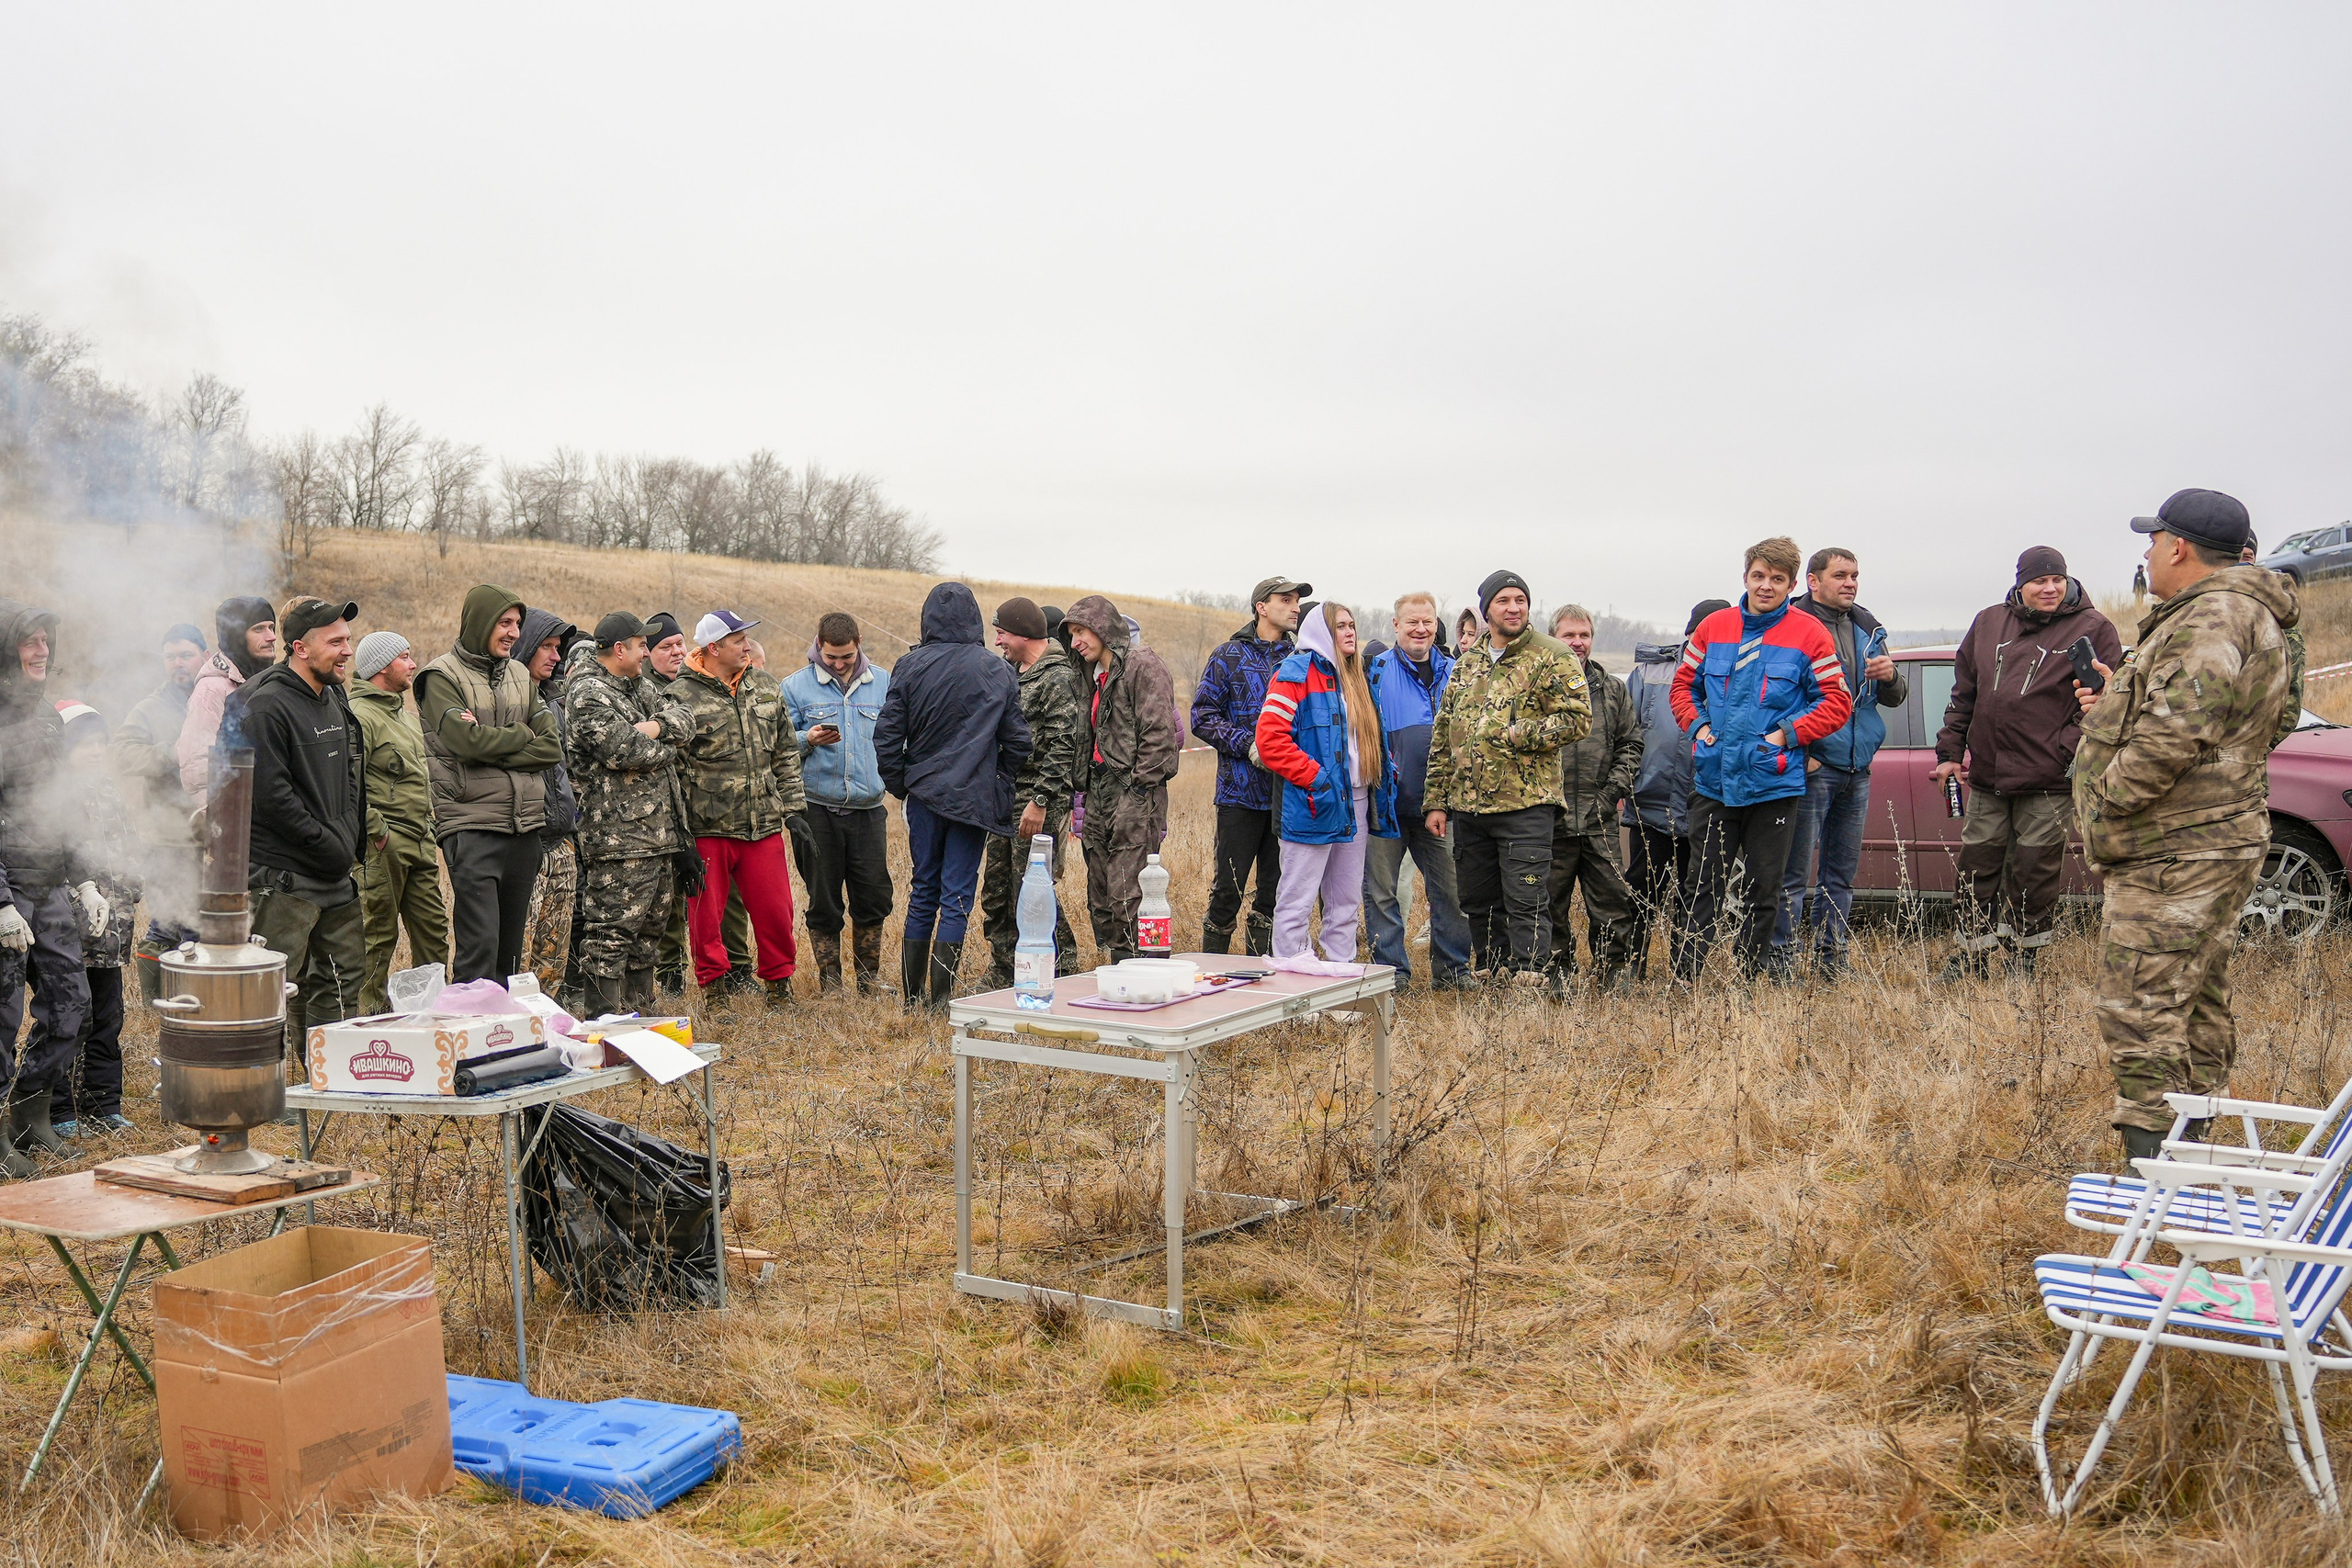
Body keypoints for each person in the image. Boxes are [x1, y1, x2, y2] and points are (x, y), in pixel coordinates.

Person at [2075, 490, 2298, 1164]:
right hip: (2208, 837)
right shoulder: (2243, 614)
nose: (2147, 552)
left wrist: (2107, 801)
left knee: (2141, 1003)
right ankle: (2189, 1152)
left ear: (2180, 547)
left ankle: (2157, 1173)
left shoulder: (2211, 616)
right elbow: (2257, 717)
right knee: (2194, 995)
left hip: (2175, 846)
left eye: (2154, 540)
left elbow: (2175, 735)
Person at [1931, 547, 2122, 979]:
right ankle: (1970, 957)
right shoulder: (1988, 622)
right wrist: (1949, 754)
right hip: (1987, 776)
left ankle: (2024, 959)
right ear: (2021, 583)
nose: (2049, 588)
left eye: (2057, 579)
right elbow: (1964, 695)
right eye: (2039, 581)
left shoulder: (2093, 628)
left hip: (2048, 779)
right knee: (1977, 866)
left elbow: (2106, 704)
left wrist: (2063, 749)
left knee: (2033, 871)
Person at [1670, 538, 1852, 982]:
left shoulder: (1810, 633)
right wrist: (1701, 728)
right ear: (1745, 576)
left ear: (1791, 585)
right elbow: (1683, 688)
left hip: (1773, 784)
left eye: (1776, 579)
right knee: (1702, 886)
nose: (1766, 586)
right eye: (1758, 576)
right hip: (1714, 781)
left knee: (1764, 889)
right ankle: (1685, 981)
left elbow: (1836, 701)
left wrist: (1786, 734)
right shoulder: (1713, 627)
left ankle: (1751, 981)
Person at [1422, 571, 1590, 985]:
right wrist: (1436, 801)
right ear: (1486, 611)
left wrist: (1519, 733)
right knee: (1479, 901)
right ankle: (1495, 977)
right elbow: (1444, 732)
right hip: (1469, 806)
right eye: (1504, 601)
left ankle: (1530, 982)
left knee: (1526, 898)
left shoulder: (1551, 655)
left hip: (1525, 804)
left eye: (1520, 600)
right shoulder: (1468, 664)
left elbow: (1578, 719)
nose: (1514, 608)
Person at [875, 584, 1032, 1009]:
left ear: (927, 619)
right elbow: (1018, 742)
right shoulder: (998, 670)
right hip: (973, 800)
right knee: (956, 895)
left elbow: (887, 737)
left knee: (924, 888)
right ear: (975, 619)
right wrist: (997, 782)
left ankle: (913, 1000)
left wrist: (903, 785)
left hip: (925, 795)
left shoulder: (909, 666)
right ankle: (939, 1001)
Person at [1771, 549, 1910, 979]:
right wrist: (1804, 752)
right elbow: (1775, 697)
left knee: (1840, 877)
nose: (1850, 583)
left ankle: (1832, 963)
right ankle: (1781, 964)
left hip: (1857, 768)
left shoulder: (1868, 628)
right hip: (1813, 766)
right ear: (1813, 581)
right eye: (1840, 575)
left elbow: (1895, 697)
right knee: (1793, 876)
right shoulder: (1789, 626)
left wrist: (1889, 677)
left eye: (1855, 575)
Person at [414, 585, 563, 984]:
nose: (514, 632)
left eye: (518, 624)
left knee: (509, 957)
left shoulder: (519, 673)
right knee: (479, 950)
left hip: (524, 828)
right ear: (481, 623)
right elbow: (464, 743)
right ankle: (469, 1038)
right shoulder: (439, 676)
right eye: (504, 622)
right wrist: (521, 734)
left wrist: (492, 741)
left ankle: (505, 1041)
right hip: (472, 827)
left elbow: (552, 747)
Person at [234, 597, 368, 1033]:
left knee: (340, 983)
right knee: (270, 991)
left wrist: (348, 836)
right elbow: (271, 797)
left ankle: (328, 1080)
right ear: (300, 648)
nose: (347, 650)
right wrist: (326, 843)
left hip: (334, 873)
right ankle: (276, 1095)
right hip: (286, 879)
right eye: (335, 642)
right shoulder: (265, 706)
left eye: (347, 639)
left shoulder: (333, 695)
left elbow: (352, 772)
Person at [0, 604, 103, 1171]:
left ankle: (30, 1116)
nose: (42, 652)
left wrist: (84, 876)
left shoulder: (46, 717)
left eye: (47, 641)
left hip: (50, 884)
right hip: (6, 887)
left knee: (71, 1004)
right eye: (29, 643)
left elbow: (68, 805)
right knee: (1, 1015)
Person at [674, 610, 808, 1007]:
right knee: (705, 918)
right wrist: (681, 837)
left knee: (777, 913)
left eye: (746, 639)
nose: (746, 646)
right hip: (707, 828)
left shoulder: (765, 685)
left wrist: (795, 810)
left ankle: (779, 990)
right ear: (713, 648)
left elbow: (785, 751)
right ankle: (715, 993)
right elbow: (675, 772)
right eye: (737, 640)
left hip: (762, 825)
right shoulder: (679, 697)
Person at [1256, 602, 1396, 962]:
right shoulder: (1295, 672)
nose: (1350, 632)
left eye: (1352, 625)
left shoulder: (1357, 675)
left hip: (1357, 801)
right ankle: (1295, 995)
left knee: (1346, 902)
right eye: (1341, 626)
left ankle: (1338, 985)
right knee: (1296, 901)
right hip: (1311, 803)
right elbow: (1270, 741)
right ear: (1321, 631)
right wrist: (1317, 779)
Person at [566, 613, 693, 1016]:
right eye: (641, 645)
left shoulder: (638, 687)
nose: (645, 653)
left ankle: (641, 1024)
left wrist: (651, 728)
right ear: (619, 649)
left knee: (648, 934)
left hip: (658, 835)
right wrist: (664, 742)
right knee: (610, 937)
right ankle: (603, 1026)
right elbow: (624, 751)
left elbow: (686, 721)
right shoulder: (588, 693)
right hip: (617, 840)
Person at [1060, 596, 1181, 967]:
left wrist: (1140, 789)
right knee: (1100, 888)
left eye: (1081, 631)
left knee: (1129, 887)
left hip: (1134, 789)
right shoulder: (1091, 673)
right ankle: (1120, 963)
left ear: (1102, 628)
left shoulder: (1142, 665)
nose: (1076, 641)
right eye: (1072, 634)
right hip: (1097, 790)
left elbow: (1160, 737)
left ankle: (1146, 965)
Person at [1188, 576, 1306, 955]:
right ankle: (1213, 974)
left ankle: (1263, 980)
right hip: (1239, 793)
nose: (1295, 607)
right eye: (1285, 600)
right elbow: (1202, 715)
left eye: (1297, 601)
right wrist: (1248, 743)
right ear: (1261, 607)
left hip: (1288, 795)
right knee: (1228, 890)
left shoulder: (1302, 660)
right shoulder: (1229, 656)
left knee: (1274, 894)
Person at [780, 613, 896, 994]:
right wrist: (806, 739)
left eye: (846, 656)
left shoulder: (884, 683)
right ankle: (831, 983)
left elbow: (898, 740)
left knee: (873, 895)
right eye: (831, 657)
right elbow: (779, 749)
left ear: (859, 641)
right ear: (819, 645)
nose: (840, 664)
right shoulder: (794, 687)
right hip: (816, 809)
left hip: (868, 810)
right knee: (824, 899)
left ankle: (869, 979)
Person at [1363, 592, 1473, 991]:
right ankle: (1392, 973)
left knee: (1451, 892)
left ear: (1436, 624)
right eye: (1412, 622)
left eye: (1427, 621)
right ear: (1396, 625)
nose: (1420, 629)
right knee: (1381, 894)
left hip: (1440, 808)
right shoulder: (1373, 672)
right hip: (1386, 806)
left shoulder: (1456, 671)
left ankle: (1454, 971)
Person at [974, 599, 1081, 989]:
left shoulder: (1057, 677)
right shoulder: (1011, 673)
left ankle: (1064, 966)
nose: (997, 640)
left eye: (1002, 632)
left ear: (1022, 634)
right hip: (1005, 797)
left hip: (1039, 799)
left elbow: (1062, 746)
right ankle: (1004, 967)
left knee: (1031, 889)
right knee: (998, 888)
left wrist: (1040, 802)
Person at [1622, 601, 1727, 981]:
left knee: (1696, 893)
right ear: (1689, 632)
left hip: (1706, 805)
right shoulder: (1650, 671)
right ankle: (1630, 968)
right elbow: (1626, 732)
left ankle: (1686, 976)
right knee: (1641, 891)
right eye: (1700, 631)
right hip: (1650, 803)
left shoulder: (1734, 673)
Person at [348, 632, 449, 1014]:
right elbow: (350, 785)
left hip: (420, 840)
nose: (412, 665)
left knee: (434, 934)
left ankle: (432, 1015)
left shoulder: (405, 718)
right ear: (381, 667)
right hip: (385, 844)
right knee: (377, 936)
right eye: (405, 657)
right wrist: (378, 833)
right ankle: (365, 1020)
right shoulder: (361, 716)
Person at [51, 703, 139, 1136]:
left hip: (113, 932)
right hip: (72, 933)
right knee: (70, 1017)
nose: (96, 750)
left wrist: (134, 888)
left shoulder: (108, 790)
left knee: (109, 1017)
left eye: (101, 742)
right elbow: (56, 865)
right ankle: (59, 1109)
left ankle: (104, 1104)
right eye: (85, 743)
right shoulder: (52, 796)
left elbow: (127, 849)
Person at [1545, 605, 1643, 994]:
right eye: (1569, 635)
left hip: (1600, 816)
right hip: (1551, 817)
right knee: (1549, 903)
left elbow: (1631, 745)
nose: (1577, 642)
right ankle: (1557, 974)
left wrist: (1610, 795)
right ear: (1553, 638)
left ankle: (1614, 972)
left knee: (1612, 900)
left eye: (1584, 635)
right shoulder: (1538, 687)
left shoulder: (1612, 690)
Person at [113, 621, 207, 995]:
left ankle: (199, 994)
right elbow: (122, 754)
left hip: (216, 834)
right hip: (168, 836)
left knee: (204, 922)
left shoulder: (218, 698)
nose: (178, 663)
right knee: (168, 921)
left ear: (205, 655)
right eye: (170, 656)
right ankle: (162, 1004)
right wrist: (171, 754)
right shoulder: (149, 708)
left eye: (186, 654)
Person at [517, 608, 582, 998]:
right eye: (546, 647)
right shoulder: (504, 700)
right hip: (526, 839)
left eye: (558, 648)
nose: (556, 657)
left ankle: (548, 1028)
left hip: (561, 840)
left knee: (552, 956)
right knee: (518, 959)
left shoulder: (553, 701)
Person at [176, 596, 277, 807]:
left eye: (272, 627)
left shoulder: (271, 681)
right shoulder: (211, 689)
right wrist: (226, 825)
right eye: (259, 629)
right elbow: (197, 770)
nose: (272, 637)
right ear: (237, 636)